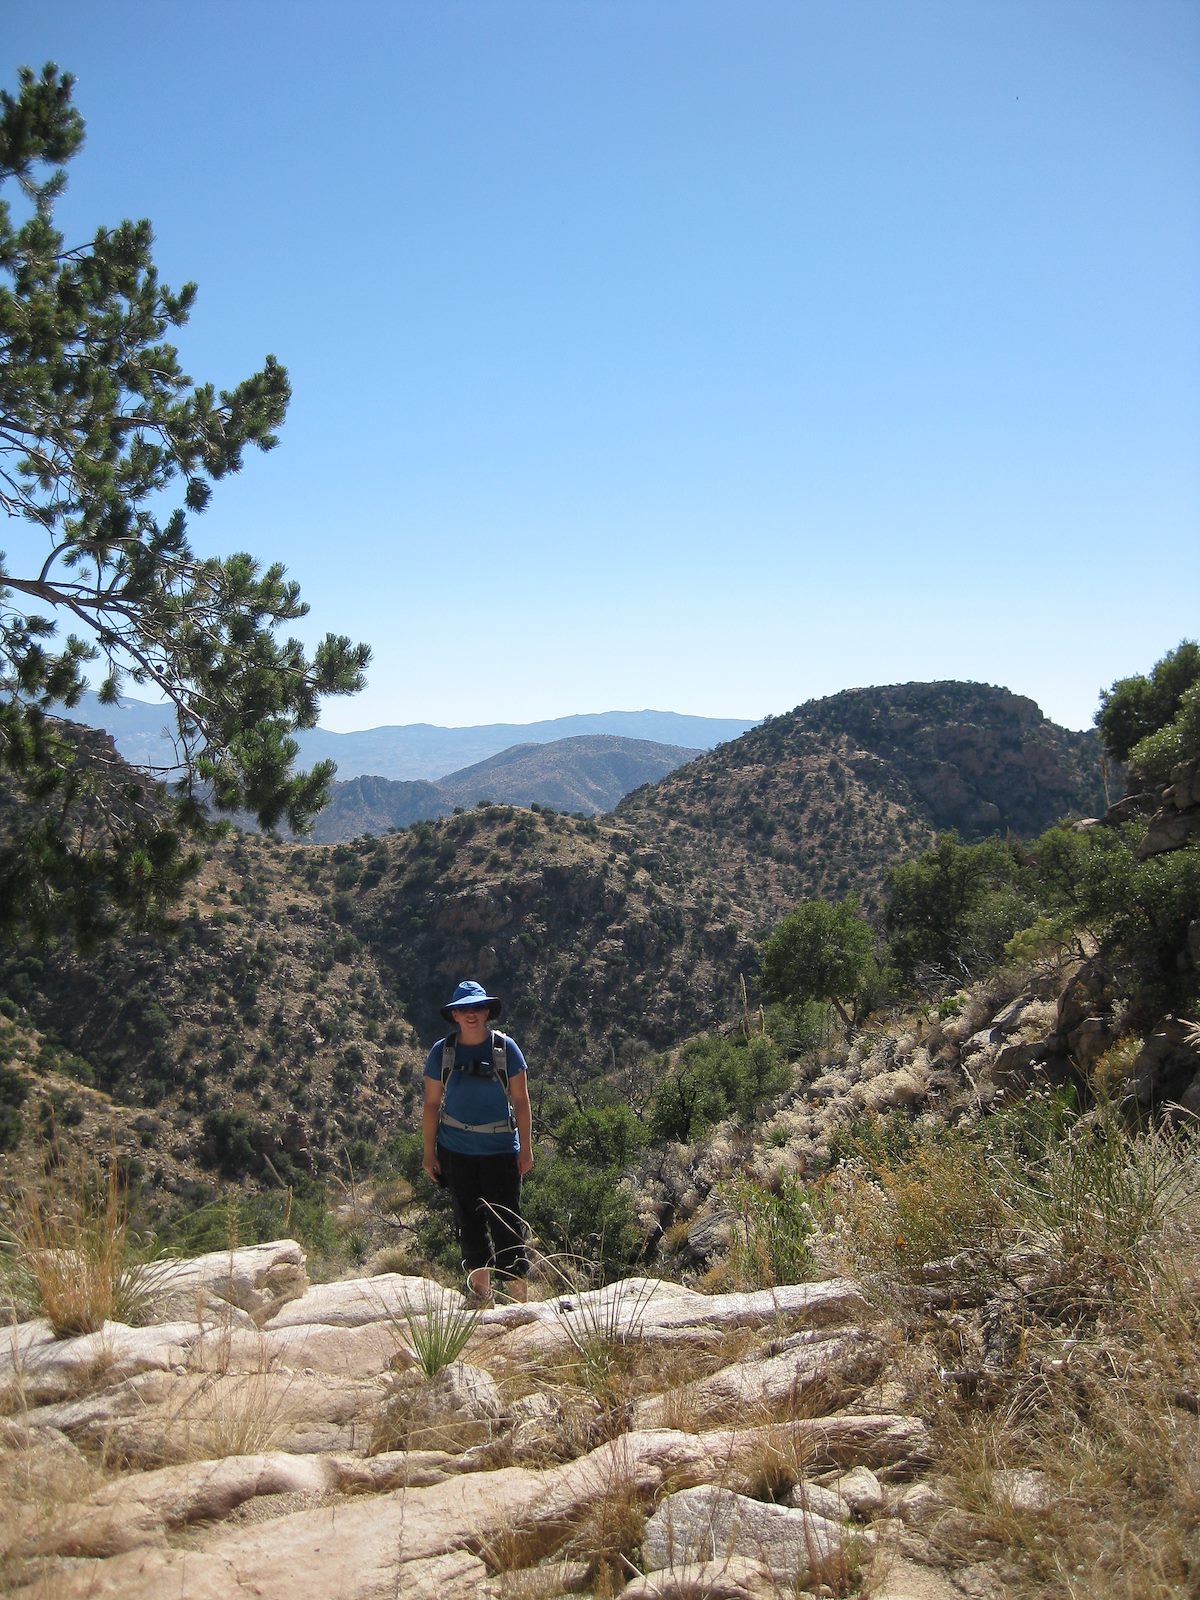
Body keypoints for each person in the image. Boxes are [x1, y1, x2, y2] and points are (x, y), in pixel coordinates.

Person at [422, 980, 533, 1304]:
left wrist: (526, 1148)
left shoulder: (506, 1049)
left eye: (477, 1008)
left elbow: (521, 1101)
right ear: (454, 1015)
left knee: (506, 1224)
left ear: (487, 1011)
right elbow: (431, 1104)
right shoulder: (441, 1052)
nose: (471, 1014)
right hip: (456, 1152)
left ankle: (518, 1304)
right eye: (464, 1009)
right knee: (468, 1224)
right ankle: (481, 1298)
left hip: (499, 1152)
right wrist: (429, 1153)